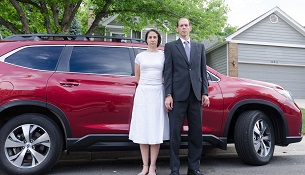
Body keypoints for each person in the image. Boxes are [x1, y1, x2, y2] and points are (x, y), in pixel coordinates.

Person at [164, 18, 210, 175]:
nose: (184, 28)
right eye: (181, 26)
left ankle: (194, 168)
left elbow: (203, 72)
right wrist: (168, 94)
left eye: (186, 25)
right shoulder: (170, 47)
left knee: (196, 133)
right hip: (177, 96)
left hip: (196, 96)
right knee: (175, 134)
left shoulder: (200, 47)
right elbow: (168, 72)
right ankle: (174, 170)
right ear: (177, 29)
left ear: (190, 28)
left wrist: (205, 92)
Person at [129, 29, 170, 175]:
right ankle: (145, 165)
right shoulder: (140, 56)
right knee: (143, 128)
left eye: (155, 37)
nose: (152, 39)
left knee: (155, 128)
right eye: (150, 37)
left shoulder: (164, 56)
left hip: (158, 92)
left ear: (158, 40)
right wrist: (145, 87)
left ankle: (153, 166)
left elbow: (167, 75)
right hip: (143, 94)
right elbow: (137, 77)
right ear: (146, 39)